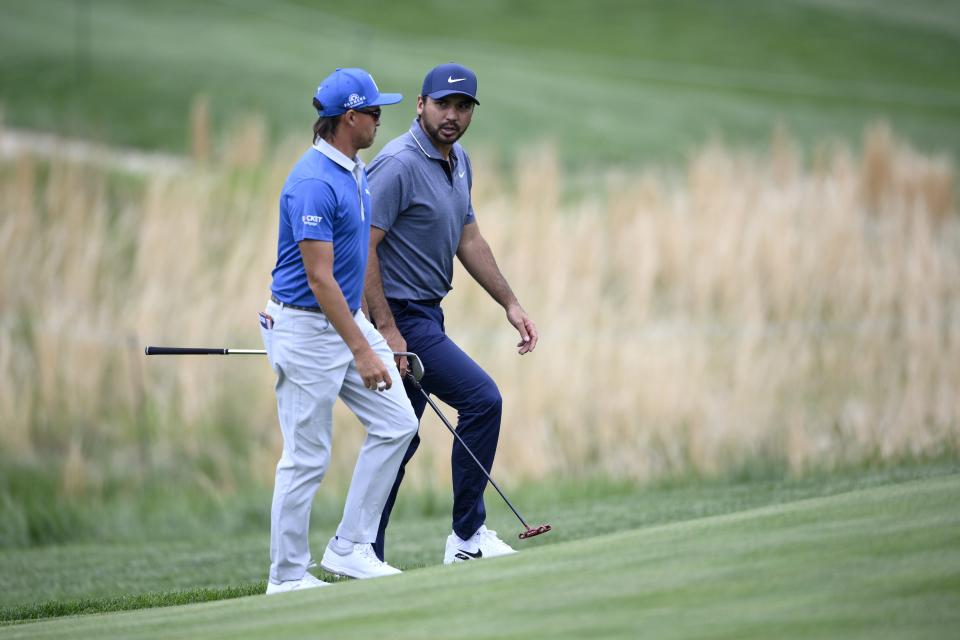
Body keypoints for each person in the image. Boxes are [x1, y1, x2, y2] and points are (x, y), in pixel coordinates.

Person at [364, 63, 539, 565]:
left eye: (463, 107)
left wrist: (510, 302)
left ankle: (361, 550)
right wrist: (388, 328)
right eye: (443, 104)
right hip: (401, 318)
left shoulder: (458, 160)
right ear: (420, 104)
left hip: (426, 316)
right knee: (482, 400)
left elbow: (469, 238)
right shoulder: (397, 164)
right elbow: (362, 245)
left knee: (397, 438)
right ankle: (467, 538)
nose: (453, 116)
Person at [260, 67, 418, 594]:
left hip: (342, 324)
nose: (379, 119)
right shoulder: (312, 182)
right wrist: (362, 349)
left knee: (398, 423)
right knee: (307, 456)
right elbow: (318, 276)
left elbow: (351, 267)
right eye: (374, 112)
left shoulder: (352, 169)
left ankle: (350, 547)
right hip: (307, 329)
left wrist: (377, 334)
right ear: (350, 117)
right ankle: (285, 577)